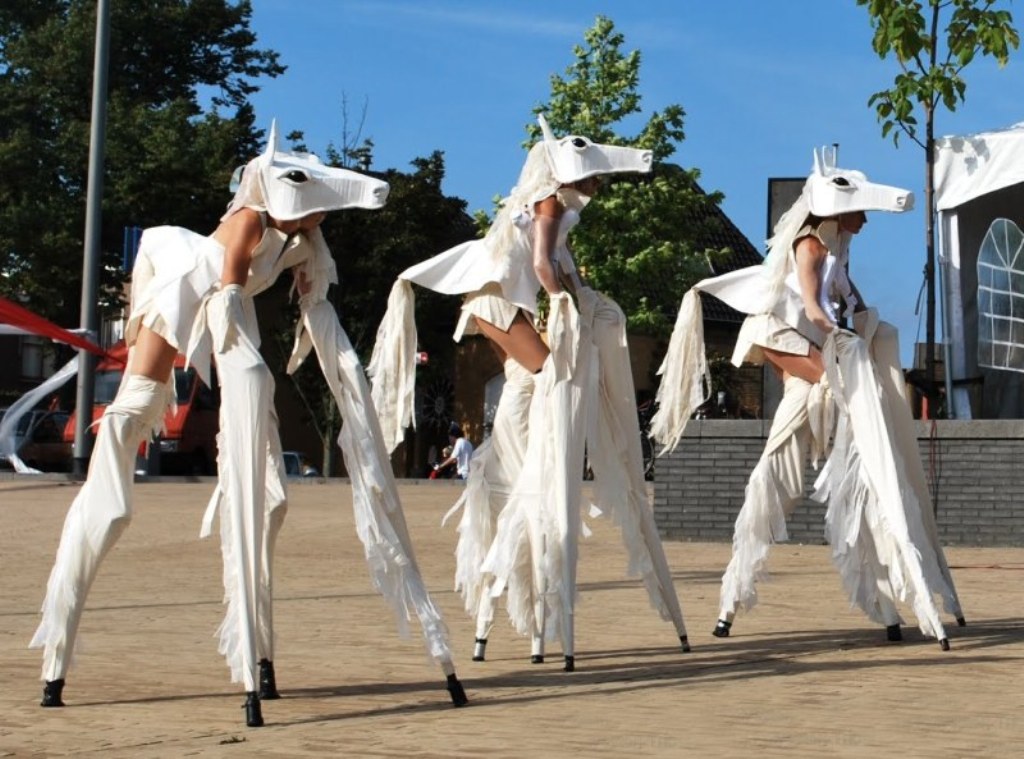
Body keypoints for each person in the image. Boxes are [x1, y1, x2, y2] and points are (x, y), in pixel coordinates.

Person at [30, 122, 467, 728]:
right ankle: (62, 633)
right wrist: (244, 373)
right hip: (190, 287)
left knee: (267, 481)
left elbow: (319, 314)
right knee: (136, 408)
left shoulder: (307, 239)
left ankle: (258, 651)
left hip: (230, 308)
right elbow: (226, 298)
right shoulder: (250, 224)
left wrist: (352, 390)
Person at [370, 114, 691, 671]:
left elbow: (560, 267)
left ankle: (511, 472)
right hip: (496, 303)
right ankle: (521, 478)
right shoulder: (549, 204)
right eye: (593, 180)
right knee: (547, 375)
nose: (596, 190)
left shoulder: (553, 210)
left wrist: (579, 295)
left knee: (529, 384)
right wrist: (566, 305)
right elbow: (543, 264)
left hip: (499, 303)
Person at [652, 147, 964, 648]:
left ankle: (885, 598)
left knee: (860, 466)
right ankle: (734, 596)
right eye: (858, 210)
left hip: (821, 361)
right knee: (778, 473)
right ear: (836, 210)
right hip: (793, 347)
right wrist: (841, 338)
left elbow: (849, 301)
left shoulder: (837, 245)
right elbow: (816, 308)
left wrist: (863, 325)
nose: (864, 219)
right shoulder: (810, 246)